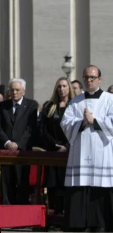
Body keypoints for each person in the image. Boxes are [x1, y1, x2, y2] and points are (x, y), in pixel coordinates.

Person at [61, 65, 113, 232]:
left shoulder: (109, 99)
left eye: (92, 77)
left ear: (99, 79)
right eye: (86, 77)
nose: (89, 80)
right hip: (81, 153)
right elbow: (65, 123)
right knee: (80, 187)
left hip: (102, 151)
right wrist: (81, 122)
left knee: (101, 187)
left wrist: (94, 120)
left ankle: (101, 224)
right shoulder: (76, 100)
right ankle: (79, 224)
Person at [0, 78, 39, 205]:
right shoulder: (3, 106)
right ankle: (7, 210)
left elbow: (31, 128)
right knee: (7, 183)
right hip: (6, 150)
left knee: (22, 181)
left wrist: (18, 144)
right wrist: (7, 142)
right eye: (12, 90)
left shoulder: (31, 105)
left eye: (17, 90)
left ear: (23, 91)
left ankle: (21, 211)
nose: (14, 92)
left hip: (22, 152)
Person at [41, 77, 75, 215]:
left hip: (69, 152)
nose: (62, 89)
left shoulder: (75, 105)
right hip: (52, 151)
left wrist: (66, 146)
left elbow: (77, 129)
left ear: (69, 88)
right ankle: (54, 214)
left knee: (66, 185)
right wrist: (55, 145)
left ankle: (67, 215)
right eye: (59, 86)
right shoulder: (49, 106)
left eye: (64, 86)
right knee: (52, 185)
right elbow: (43, 129)